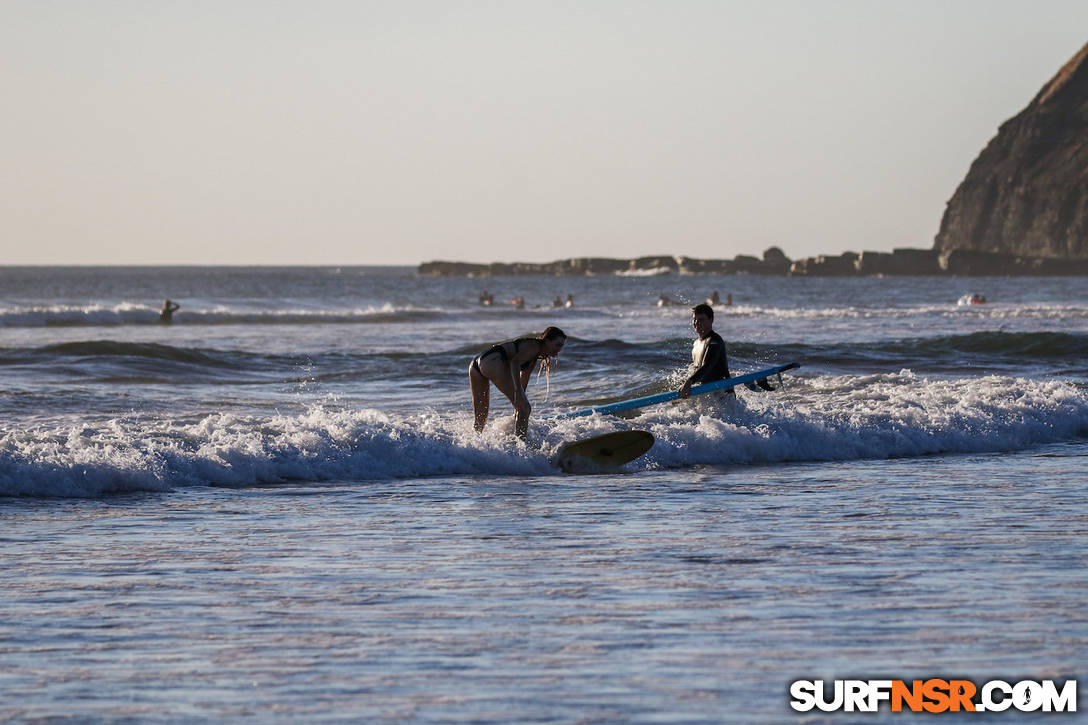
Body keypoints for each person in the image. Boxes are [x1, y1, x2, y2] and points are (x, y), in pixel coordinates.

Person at [470, 326, 567, 439]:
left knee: (481, 417)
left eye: (562, 346)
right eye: (558, 344)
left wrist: (519, 402)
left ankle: (472, 447)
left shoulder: (533, 358)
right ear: (546, 341)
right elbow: (514, 362)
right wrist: (517, 392)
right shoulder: (534, 345)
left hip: (477, 364)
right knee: (525, 408)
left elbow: (523, 386)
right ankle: (520, 447)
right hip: (492, 362)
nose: (559, 349)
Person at [678, 303, 730, 399]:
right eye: (694, 319)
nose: (696, 322)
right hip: (706, 392)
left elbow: (708, 365)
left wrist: (689, 381)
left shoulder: (714, 340)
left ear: (711, 320)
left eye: (701, 320)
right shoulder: (696, 343)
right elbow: (697, 369)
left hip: (722, 393)